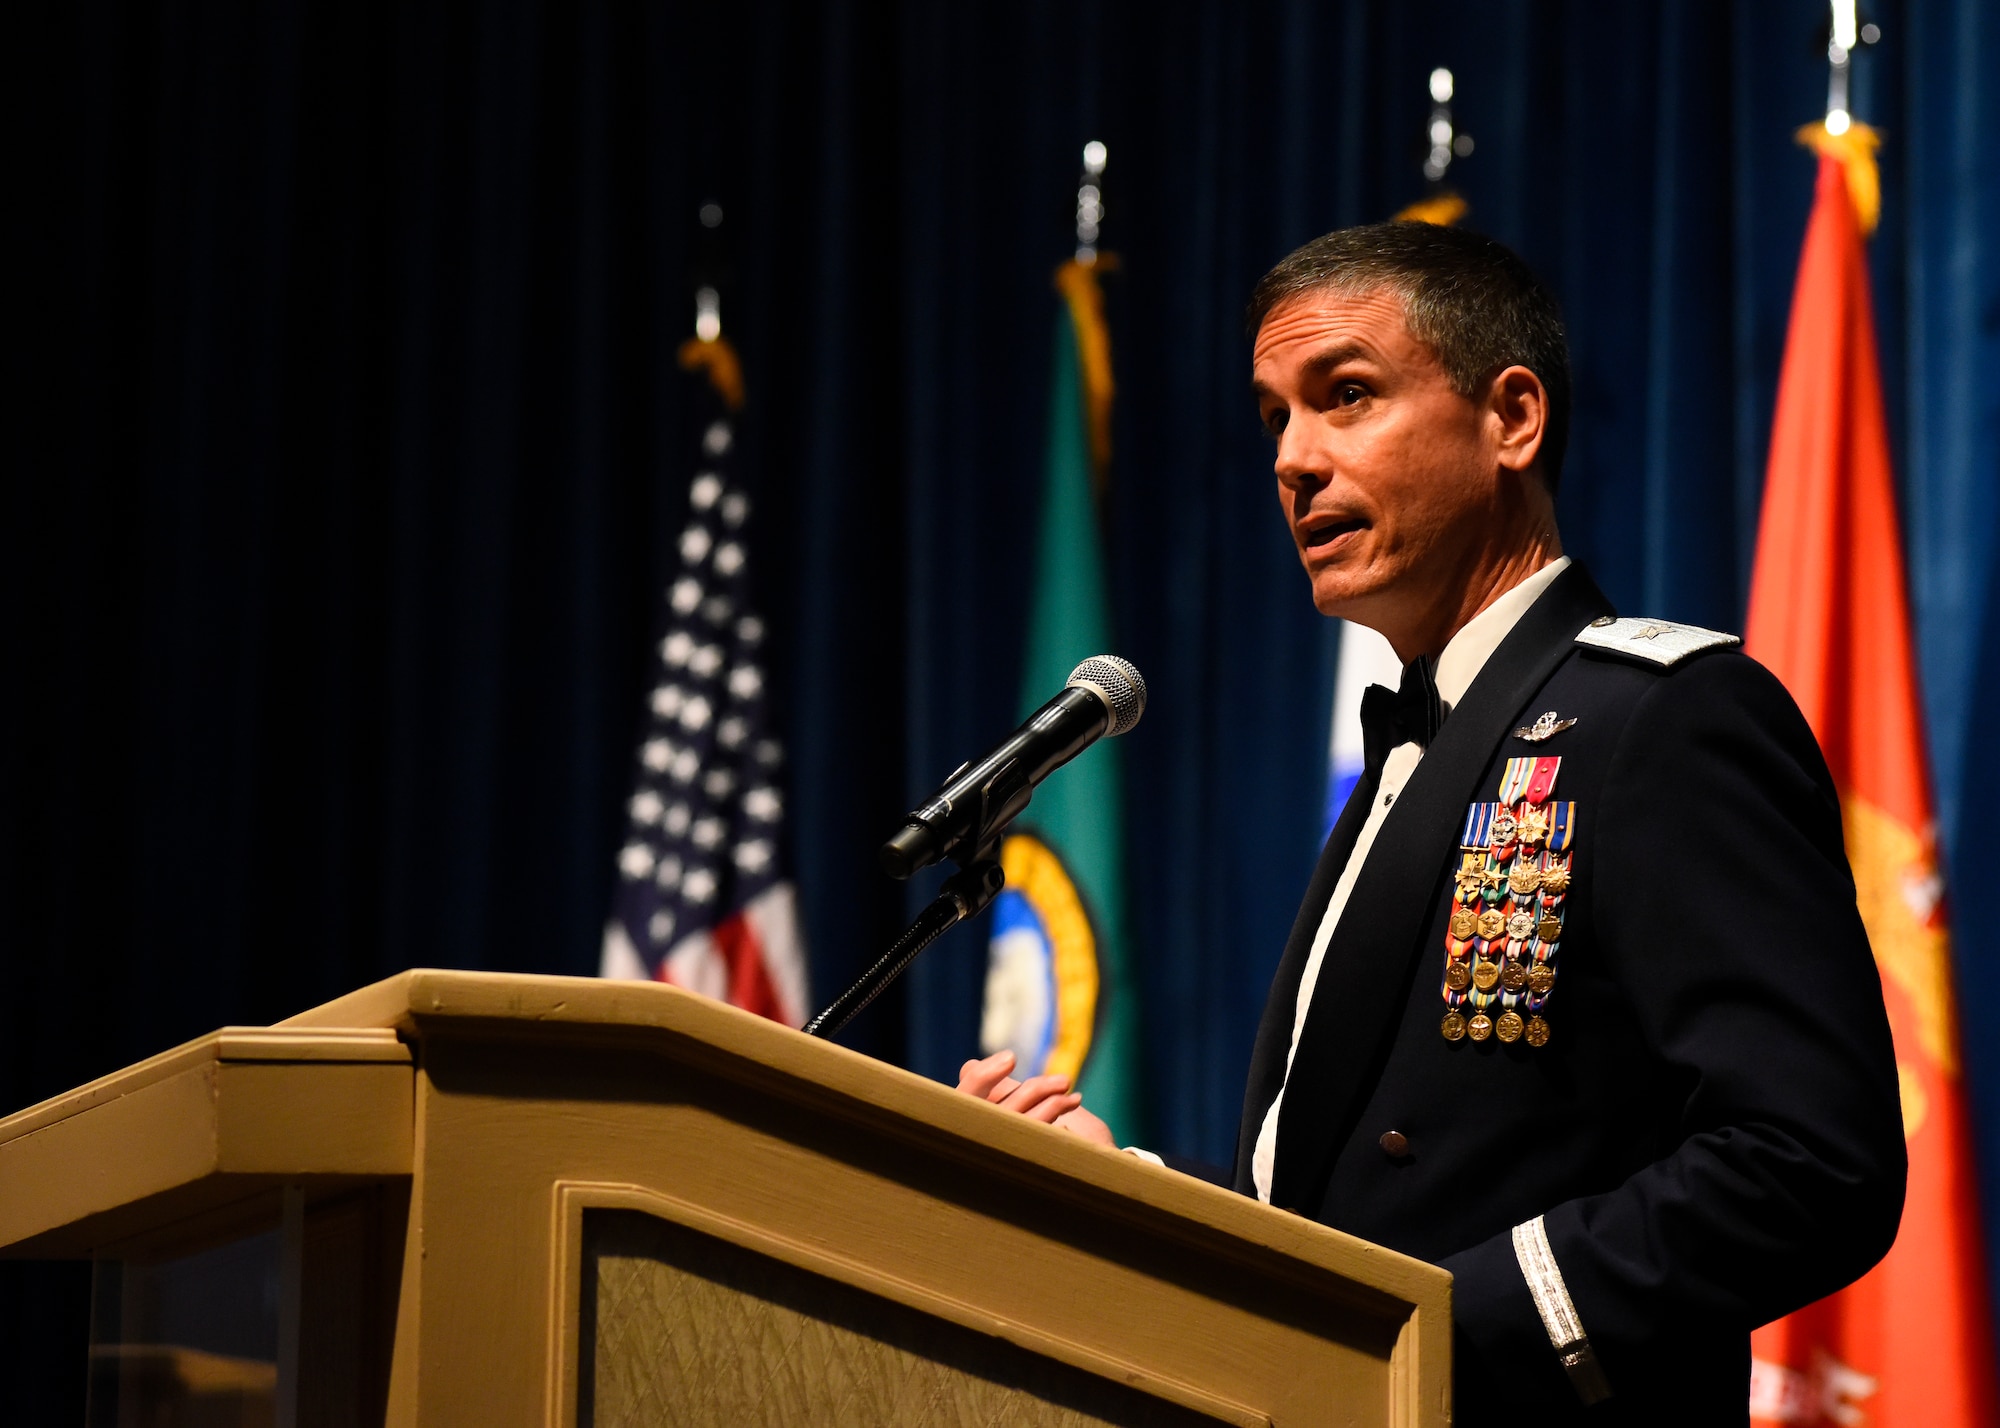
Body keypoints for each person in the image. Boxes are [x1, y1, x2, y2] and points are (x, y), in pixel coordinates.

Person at [957, 222, 1906, 1424]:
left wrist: (1425, 1332)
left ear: (1510, 419)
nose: (1292, 460)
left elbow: (1810, 1166)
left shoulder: (1661, 720)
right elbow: (1365, 1211)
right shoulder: (1413, 752)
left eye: (1344, 396)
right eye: (1272, 419)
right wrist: (1128, 1190)